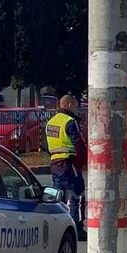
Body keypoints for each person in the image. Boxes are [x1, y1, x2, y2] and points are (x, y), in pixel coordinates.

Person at [46, 94, 87, 239]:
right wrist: (84, 161)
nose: (76, 110)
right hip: (70, 163)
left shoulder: (50, 122)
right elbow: (79, 144)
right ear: (68, 105)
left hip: (55, 164)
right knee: (77, 195)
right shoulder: (70, 121)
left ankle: (58, 229)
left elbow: (47, 146)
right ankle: (77, 228)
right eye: (75, 106)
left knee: (58, 197)